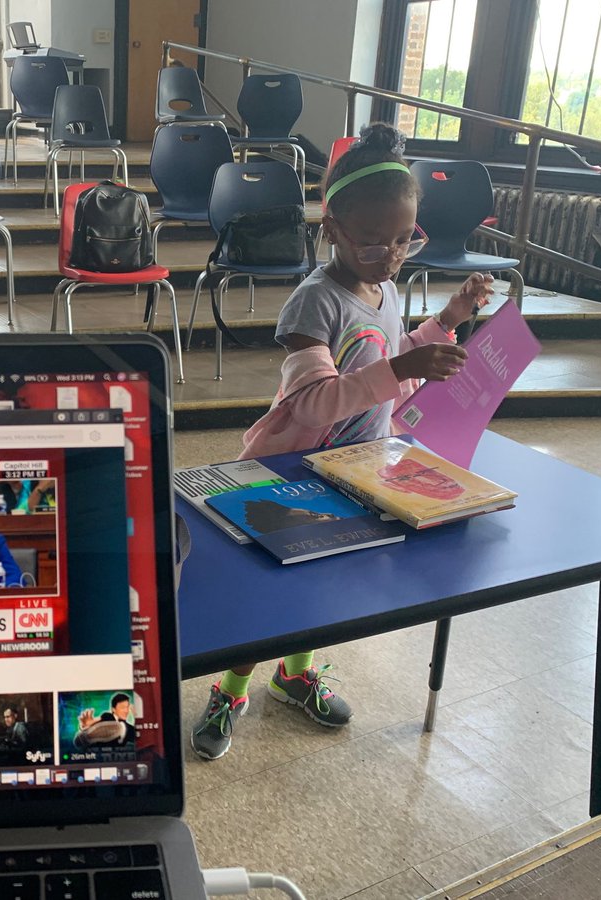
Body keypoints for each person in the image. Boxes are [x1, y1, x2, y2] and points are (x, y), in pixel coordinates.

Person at [190, 123, 492, 761]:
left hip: (358, 469)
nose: (388, 256)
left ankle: (295, 674)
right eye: (372, 242)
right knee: (270, 591)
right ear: (331, 229)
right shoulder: (313, 305)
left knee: (321, 587)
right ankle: (232, 687)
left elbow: (388, 370)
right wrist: (403, 371)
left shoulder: (381, 289)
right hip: (291, 471)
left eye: (404, 240)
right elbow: (317, 400)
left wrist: (450, 322)